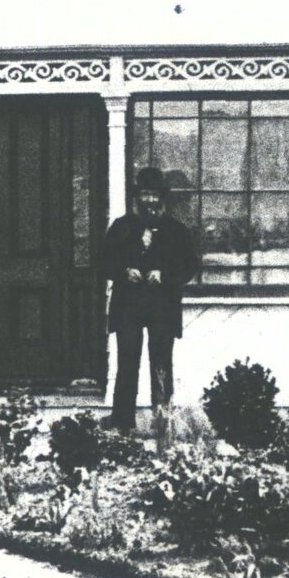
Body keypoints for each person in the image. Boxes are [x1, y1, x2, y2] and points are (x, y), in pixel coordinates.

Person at [102, 166, 199, 436]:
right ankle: (123, 423)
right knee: (127, 364)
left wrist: (164, 275)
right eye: (145, 194)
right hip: (128, 306)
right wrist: (124, 271)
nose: (150, 200)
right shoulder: (121, 227)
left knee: (161, 364)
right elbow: (103, 261)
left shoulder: (176, 230)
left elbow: (190, 266)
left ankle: (163, 424)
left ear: (162, 198)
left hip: (162, 307)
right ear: (137, 197)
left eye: (154, 195)